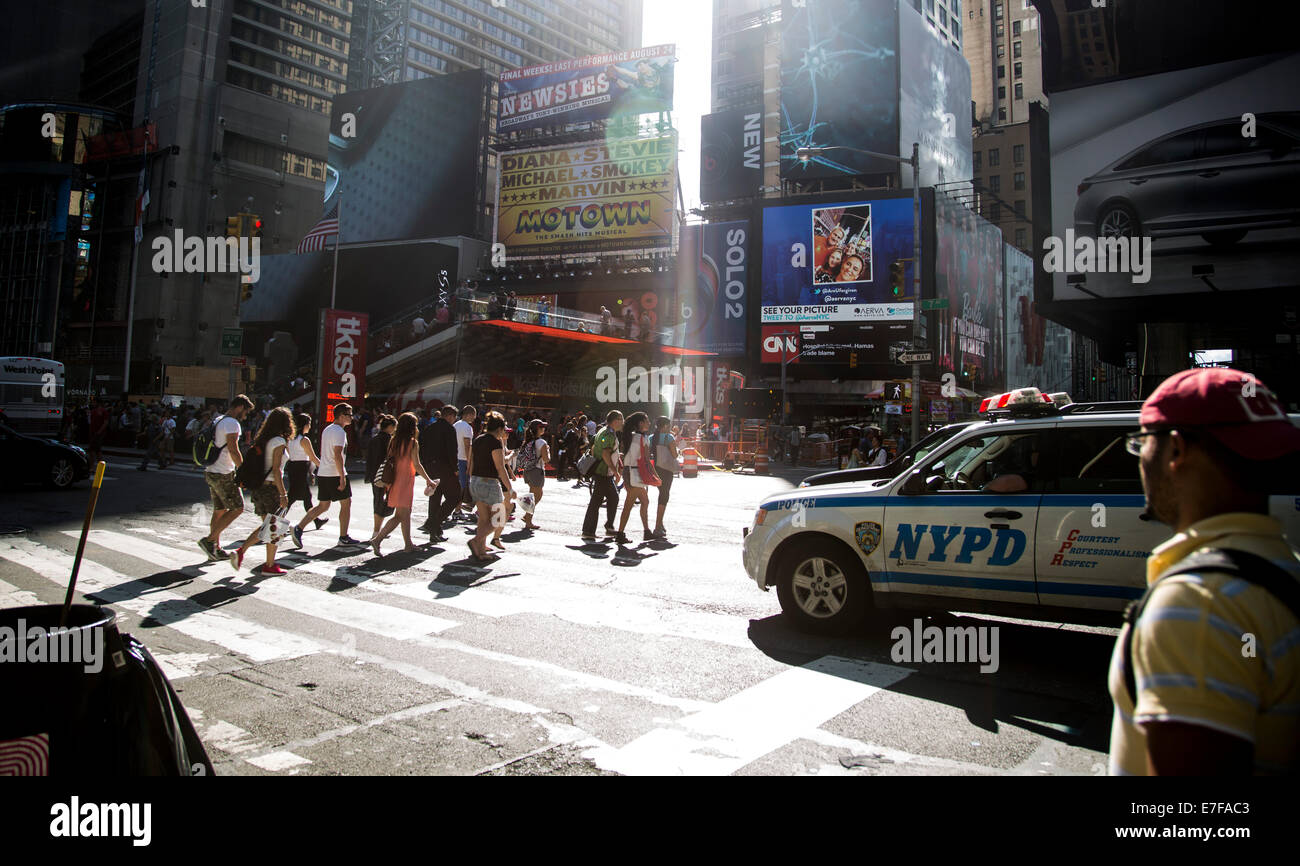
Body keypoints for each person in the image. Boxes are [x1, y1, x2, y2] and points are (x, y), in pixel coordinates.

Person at [1110, 367, 1300, 776]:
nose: (1140, 458)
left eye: (1142, 443)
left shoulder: (1199, 605)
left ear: (1175, 450)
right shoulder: (1283, 570)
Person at [229, 407, 294, 574]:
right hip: (271, 488)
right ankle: (268, 565)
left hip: (259, 488)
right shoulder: (279, 442)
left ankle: (243, 553)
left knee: (268, 528)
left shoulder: (265, 440)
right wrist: (283, 493)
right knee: (274, 527)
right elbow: (277, 470)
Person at [292, 403, 363, 548]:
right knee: (346, 503)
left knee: (323, 505)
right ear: (342, 416)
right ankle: (343, 537)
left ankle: (299, 528)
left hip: (324, 472)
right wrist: (342, 476)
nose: (352, 417)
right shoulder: (340, 432)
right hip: (334, 473)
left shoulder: (327, 429)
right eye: (349, 415)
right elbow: (337, 455)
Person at [371, 412, 437, 557]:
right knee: (401, 515)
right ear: (412, 427)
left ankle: (408, 544)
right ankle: (378, 539)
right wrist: (428, 479)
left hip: (395, 480)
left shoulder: (394, 440)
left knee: (404, 514)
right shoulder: (413, 442)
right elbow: (417, 464)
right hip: (405, 480)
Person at [197, 394, 253, 561]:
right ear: (240, 407)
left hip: (211, 470)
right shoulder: (232, 424)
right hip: (223, 472)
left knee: (220, 510)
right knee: (238, 508)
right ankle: (209, 541)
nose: (246, 415)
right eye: (246, 411)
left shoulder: (219, 419)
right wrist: (243, 470)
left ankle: (215, 548)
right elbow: (234, 449)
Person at [467, 411, 514, 562]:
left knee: (484, 518)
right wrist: (510, 488)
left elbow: (470, 462)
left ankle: (480, 550)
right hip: (490, 483)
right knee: (499, 518)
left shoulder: (478, 439)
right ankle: (477, 540)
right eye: (504, 428)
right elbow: (500, 467)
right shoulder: (495, 442)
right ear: (499, 428)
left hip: (475, 481)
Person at [581, 410, 624, 541]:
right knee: (598, 501)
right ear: (615, 420)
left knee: (610, 498)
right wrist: (615, 470)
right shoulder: (608, 434)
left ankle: (604, 527)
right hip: (603, 472)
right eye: (621, 419)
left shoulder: (604, 431)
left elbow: (597, 449)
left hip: (602, 472)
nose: (623, 422)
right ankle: (590, 530)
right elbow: (605, 454)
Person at [421, 405, 461, 541]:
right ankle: (433, 524)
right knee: (455, 496)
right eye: (454, 417)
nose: (454, 420)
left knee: (435, 498)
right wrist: (455, 469)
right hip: (445, 468)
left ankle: (434, 531)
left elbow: (422, 448)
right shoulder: (449, 429)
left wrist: (425, 466)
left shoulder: (429, 428)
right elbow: (452, 451)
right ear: (450, 416)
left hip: (430, 467)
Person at [614, 412, 654, 544]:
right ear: (641, 423)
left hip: (629, 471)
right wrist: (654, 475)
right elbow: (647, 460)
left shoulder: (629, 436)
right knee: (629, 504)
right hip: (637, 473)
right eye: (647, 420)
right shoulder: (644, 438)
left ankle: (646, 531)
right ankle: (620, 533)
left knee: (644, 501)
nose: (649, 423)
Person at [285, 412, 327, 529]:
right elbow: (312, 457)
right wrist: (324, 468)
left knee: (306, 497)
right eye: (309, 424)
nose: (310, 426)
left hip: (293, 468)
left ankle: (316, 520)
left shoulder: (291, 439)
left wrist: (311, 472)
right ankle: (273, 524)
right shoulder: (304, 440)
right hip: (301, 469)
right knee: (291, 498)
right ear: (304, 425)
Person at [365, 414, 396, 542]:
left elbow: (369, 459)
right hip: (385, 475)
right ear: (389, 427)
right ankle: (378, 531)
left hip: (375, 475)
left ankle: (377, 530)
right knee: (383, 502)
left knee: (378, 500)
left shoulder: (374, 439)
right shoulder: (389, 440)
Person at [651, 416, 679, 539]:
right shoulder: (669, 438)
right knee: (664, 496)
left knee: (661, 494)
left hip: (654, 469)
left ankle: (660, 523)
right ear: (666, 426)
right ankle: (657, 526)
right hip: (666, 470)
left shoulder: (651, 438)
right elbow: (674, 454)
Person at [518, 419, 549, 531]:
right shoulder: (542, 443)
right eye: (542, 427)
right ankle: (528, 519)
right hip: (537, 470)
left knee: (533, 494)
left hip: (528, 470)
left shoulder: (528, 441)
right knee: (537, 495)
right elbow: (546, 459)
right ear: (538, 429)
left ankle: (527, 517)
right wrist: (548, 452)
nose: (544, 429)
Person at [454, 405, 477, 522]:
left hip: (455, 458)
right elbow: (468, 446)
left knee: (457, 485)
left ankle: (456, 509)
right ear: (468, 414)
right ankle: (457, 510)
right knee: (462, 487)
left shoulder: (455, 425)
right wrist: (470, 462)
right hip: (463, 459)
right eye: (473, 415)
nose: (474, 418)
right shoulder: (467, 427)